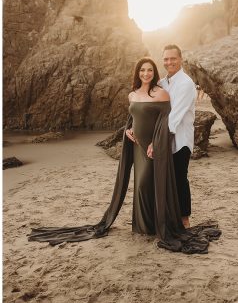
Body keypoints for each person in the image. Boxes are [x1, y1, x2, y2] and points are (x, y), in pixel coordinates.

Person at [28, 58, 219, 254]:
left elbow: (166, 120)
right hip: (136, 145)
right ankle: (143, 227)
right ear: (138, 73)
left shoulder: (161, 94)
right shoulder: (132, 95)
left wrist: (157, 142)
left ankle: (157, 225)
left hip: (153, 145)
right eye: (142, 70)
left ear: (154, 72)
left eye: (149, 70)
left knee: (148, 182)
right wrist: (127, 130)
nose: (146, 73)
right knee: (140, 186)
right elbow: (133, 118)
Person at [127, 44, 196, 228]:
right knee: (164, 179)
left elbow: (174, 117)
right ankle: (165, 218)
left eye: (173, 58)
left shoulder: (186, 83)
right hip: (164, 139)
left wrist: (158, 141)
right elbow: (148, 108)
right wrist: (132, 127)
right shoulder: (163, 83)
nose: (169, 62)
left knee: (180, 178)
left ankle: (184, 220)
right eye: (166, 59)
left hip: (180, 139)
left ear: (180, 59)